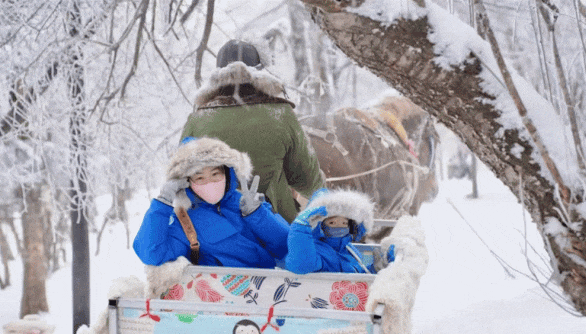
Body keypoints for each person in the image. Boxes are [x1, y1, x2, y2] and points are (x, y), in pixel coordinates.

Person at [180, 39, 324, 224]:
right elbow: (308, 181)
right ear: (259, 73)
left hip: (218, 230)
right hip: (275, 226)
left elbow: (180, 181)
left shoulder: (198, 120)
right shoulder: (280, 114)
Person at [133, 136, 289, 277]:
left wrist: (258, 215)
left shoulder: (247, 203)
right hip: (224, 295)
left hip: (268, 287)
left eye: (215, 174)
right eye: (200, 178)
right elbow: (152, 254)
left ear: (227, 174)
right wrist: (163, 202)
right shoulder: (185, 222)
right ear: (187, 183)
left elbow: (286, 246)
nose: (210, 183)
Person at [285, 188, 393, 275]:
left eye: (344, 223)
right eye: (332, 223)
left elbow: (358, 274)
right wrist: (300, 229)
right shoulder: (316, 249)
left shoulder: (350, 250)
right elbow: (302, 265)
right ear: (320, 226)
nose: (339, 227)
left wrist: (376, 268)